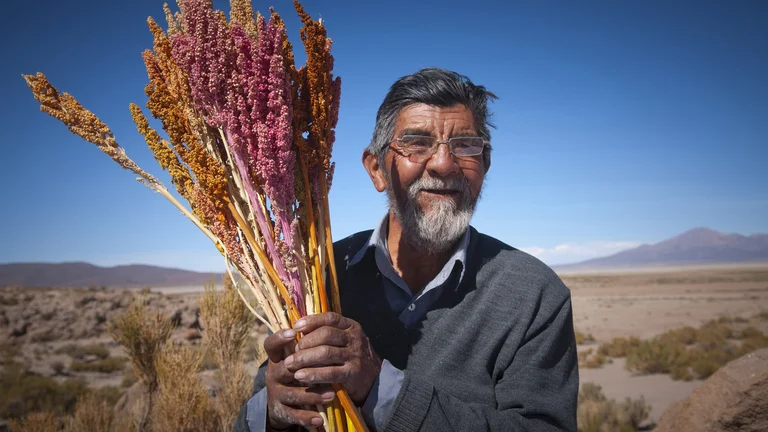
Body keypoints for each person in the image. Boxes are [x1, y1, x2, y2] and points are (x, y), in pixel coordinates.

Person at [234, 68, 578, 432]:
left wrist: (380, 389)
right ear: (377, 169)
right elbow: (256, 416)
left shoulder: (533, 293)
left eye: (465, 145)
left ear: (485, 166)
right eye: (417, 142)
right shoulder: (314, 272)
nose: (444, 164)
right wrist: (271, 414)